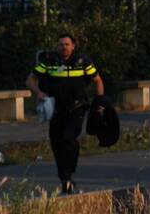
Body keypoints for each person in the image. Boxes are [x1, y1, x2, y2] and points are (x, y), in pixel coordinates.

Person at [26, 33, 104, 195]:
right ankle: (65, 179)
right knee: (56, 143)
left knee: (69, 138)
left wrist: (100, 102)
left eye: (67, 44)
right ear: (57, 46)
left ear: (73, 46)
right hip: (55, 109)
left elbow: (98, 81)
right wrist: (38, 92)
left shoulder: (82, 62)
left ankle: (69, 172)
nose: (64, 47)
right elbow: (30, 79)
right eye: (61, 44)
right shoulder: (49, 62)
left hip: (77, 107)